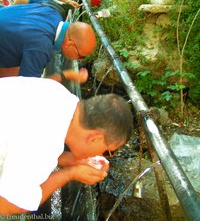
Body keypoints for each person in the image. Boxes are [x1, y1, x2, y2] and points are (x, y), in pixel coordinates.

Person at [0, 76, 133, 215]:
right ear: (94, 138)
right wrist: (69, 174)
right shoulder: (46, 142)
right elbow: (8, 204)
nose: (101, 155)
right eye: (107, 151)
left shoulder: (58, 93)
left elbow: (24, 148)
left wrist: (71, 159)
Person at [0, 0, 96, 80]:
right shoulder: (41, 47)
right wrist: (67, 75)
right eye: (80, 56)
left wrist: (10, 24)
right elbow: (29, 88)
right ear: (70, 45)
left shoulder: (54, 8)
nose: (80, 60)